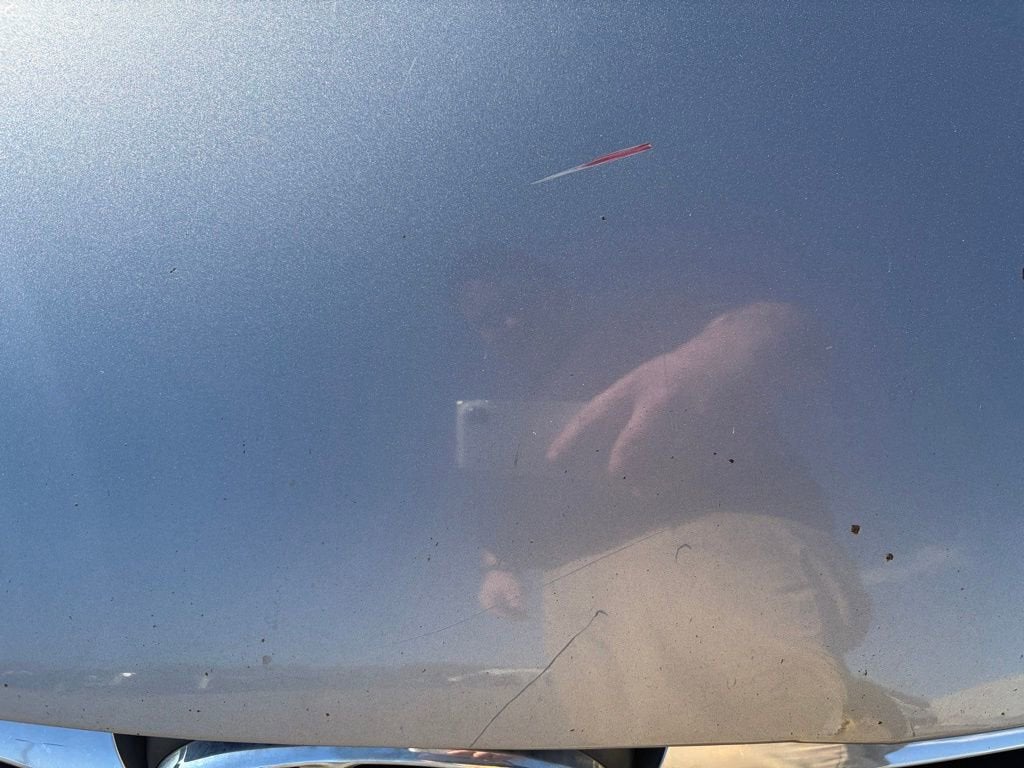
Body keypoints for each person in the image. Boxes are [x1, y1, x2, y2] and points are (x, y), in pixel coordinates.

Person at [451, 244, 905, 747]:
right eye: (487, 319)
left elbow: (783, 323)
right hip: (573, 595)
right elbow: (509, 505)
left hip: (709, 549)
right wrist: (498, 565)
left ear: (556, 292)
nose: (509, 322)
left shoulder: (638, 324)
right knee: (622, 749)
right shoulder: (516, 406)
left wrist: (708, 359)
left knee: (759, 745)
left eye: (518, 301)